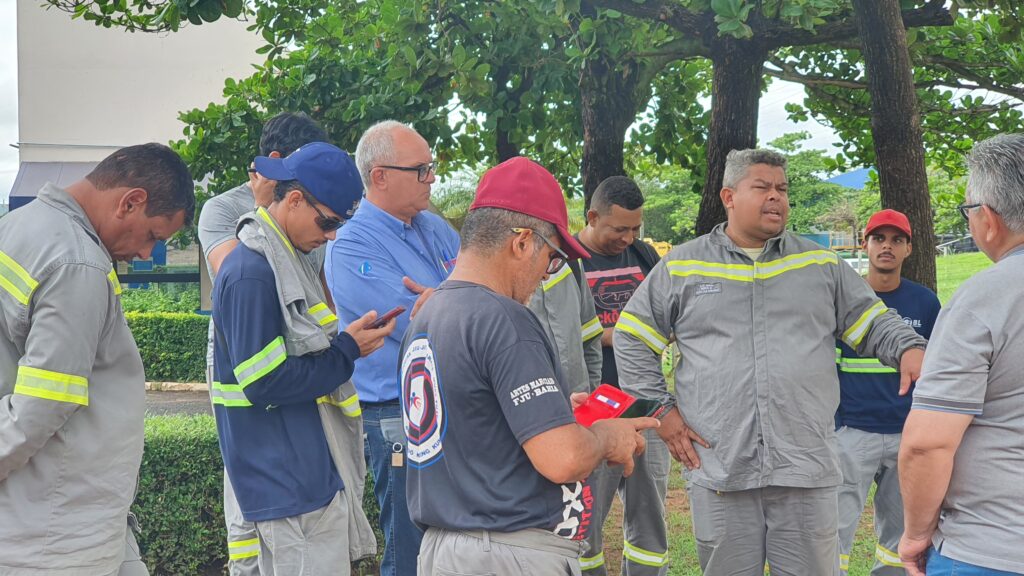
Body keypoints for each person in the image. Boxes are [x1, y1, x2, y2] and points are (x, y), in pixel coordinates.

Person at [614, 148, 928, 575]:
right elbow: (632, 337)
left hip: (806, 470)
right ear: (729, 196)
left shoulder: (819, 265)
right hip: (722, 468)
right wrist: (661, 410)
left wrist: (909, 347)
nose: (776, 197)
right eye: (762, 187)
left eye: (782, 188)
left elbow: (874, 323)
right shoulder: (683, 266)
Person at [400, 156, 660, 575]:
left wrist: (561, 416)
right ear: (521, 242)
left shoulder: (430, 314)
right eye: (552, 257)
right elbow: (563, 460)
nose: (547, 273)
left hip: (448, 548)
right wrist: (606, 435)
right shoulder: (504, 318)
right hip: (507, 552)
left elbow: (478, 426)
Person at [0, 143, 195, 575]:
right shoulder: (79, 263)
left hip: (38, 516)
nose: (147, 255)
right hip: (56, 533)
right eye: (154, 236)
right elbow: (40, 408)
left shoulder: (18, 226)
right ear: (131, 201)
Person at [210, 142, 393, 576]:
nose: (331, 236)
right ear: (294, 199)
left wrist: (347, 345)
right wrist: (347, 350)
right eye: (328, 221)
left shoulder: (277, 261)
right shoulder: (253, 272)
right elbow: (265, 383)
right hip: (289, 483)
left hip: (298, 478)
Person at [197, 111, 336, 575]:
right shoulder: (222, 208)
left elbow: (317, 288)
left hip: (297, 372)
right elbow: (237, 277)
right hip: (244, 374)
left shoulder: (313, 207)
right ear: (276, 163)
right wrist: (263, 210)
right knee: (248, 508)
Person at [326, 120, 460, 576]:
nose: (433, 178)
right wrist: (453, 298)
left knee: (451, 538)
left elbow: (480, 297)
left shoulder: (435, 228)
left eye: (431, 168)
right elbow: (411, 322)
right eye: (421, 170)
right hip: (397, 413)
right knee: (410, 544)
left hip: (450, 400)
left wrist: (442, 298)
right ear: (379, 175)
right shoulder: (350, 243)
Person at [898, 133, 1024, 576]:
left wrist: (916, 534)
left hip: (992, 549)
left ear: (987, 218)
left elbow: (927, 444)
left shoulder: (984, 299)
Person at [835, 209, 941, 576]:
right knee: (833, 531)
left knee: (899, 537)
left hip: (906, 434)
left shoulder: (925, 303)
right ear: (864, 244)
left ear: (909, 249)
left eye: (897, 240)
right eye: (879, 238)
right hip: (851, 433)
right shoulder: (844, 300)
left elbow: (936, 369)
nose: (887, 247)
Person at [575, 176, 671, 574]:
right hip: (593, 409)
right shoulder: (568, 261)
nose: (628, 238)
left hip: (646, 406)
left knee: (650, 514)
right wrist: (621, 334)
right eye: (619, 228)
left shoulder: (645, 256)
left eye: (635, 228)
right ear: (592, 216)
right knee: (586, 518)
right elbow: (565, 334)